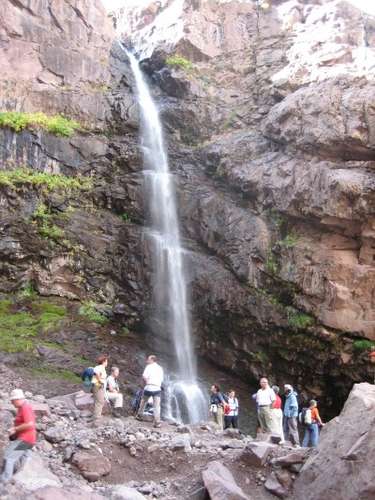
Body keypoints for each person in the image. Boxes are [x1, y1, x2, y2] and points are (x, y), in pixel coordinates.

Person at [0, 389, 36, 483]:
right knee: (24, 457)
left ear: (17, 399)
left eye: (12, 401)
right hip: (29, 439)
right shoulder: (22, 407)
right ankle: (20, 476)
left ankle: (5, 479)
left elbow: (30, 424)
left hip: (25, 439)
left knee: (8, 456)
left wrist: (15, 429)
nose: (11, 403)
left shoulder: (25, 407)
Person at [136, 355, 164, 428]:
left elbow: (144, 376)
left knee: (143, 402)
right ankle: (157, 422)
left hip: (149, 387)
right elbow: (161, 379)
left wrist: (147, 381)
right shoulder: (160, 368)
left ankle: (139, 415)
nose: (147, 361)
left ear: (152, 360)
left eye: (148, 359)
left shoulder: (148, 367)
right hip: (157, 388)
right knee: (156, 406)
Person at [92, 354, 108, 425]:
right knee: (100, 401)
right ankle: (97, 418)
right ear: (104, 361)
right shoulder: (100, 367)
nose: (107, 363)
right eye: (106, 361)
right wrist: (100, 382)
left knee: (98, 401)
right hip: (98, 385)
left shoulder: (101, 368)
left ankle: (96, 416)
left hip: (97, 385)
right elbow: (96, 374)